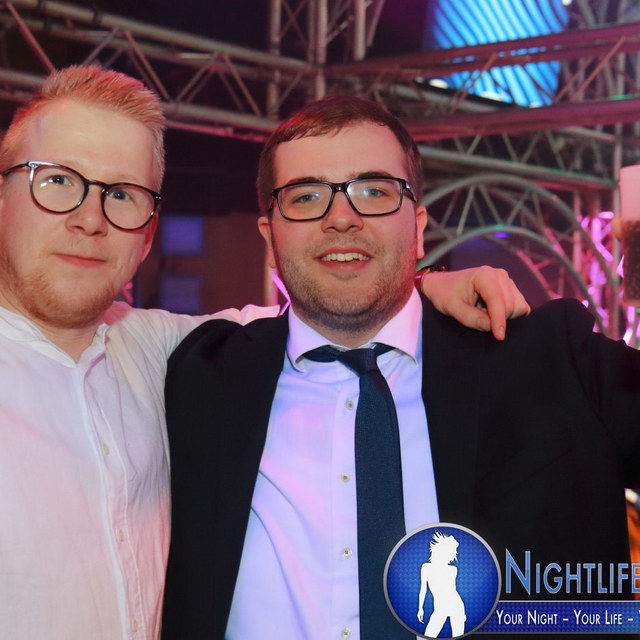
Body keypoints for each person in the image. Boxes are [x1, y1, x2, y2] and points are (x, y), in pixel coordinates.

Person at [0, 65, 526, 640]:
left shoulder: (161, 351)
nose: (89, 219)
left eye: (122, 194)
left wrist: (417, 284)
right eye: (56, 180)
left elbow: (318, 312)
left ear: (147, 233)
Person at [162, 95, 640, 640]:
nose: (341, 217)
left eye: (374, 191)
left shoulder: (553, 361)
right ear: (270, 236)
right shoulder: (197, 375)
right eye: (306, 196)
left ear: (417, 227)